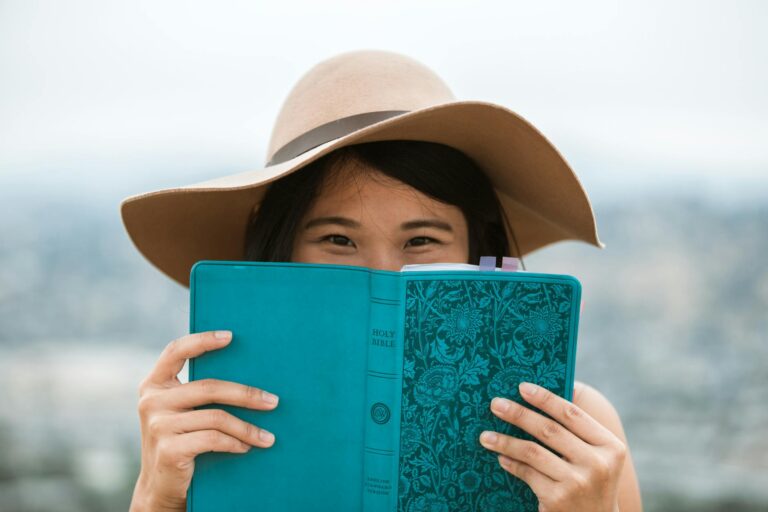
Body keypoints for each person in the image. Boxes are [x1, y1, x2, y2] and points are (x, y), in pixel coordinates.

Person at [121, 50, 642, 512]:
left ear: (476, 249)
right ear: (280, 249)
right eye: (338, 240)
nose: (382, 275)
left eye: (420, 241)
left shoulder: (577, 438)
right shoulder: (202, 428)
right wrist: (155, 497)